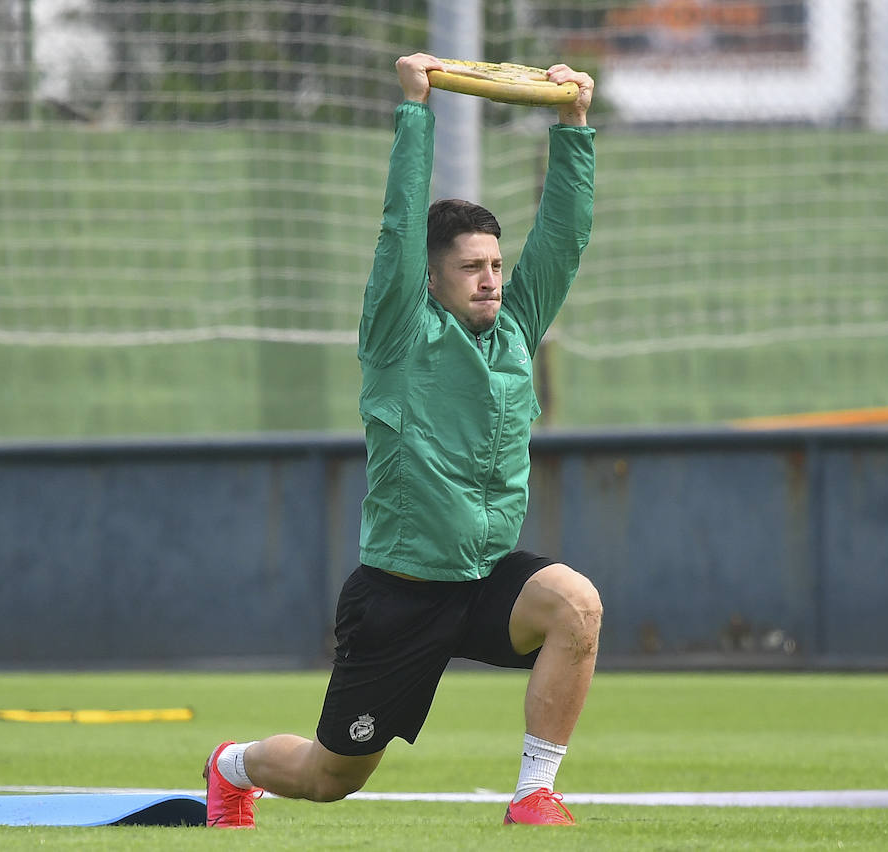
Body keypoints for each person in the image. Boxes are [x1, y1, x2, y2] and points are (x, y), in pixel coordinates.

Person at [203, 52, 601, 828]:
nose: (490, 279)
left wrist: (573, 123)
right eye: (470, 268)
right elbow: (398, 223)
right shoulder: (398, 333)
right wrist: (417, 108)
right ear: (430, 280)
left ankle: (535, 795)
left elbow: (565, 236)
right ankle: (231, 766)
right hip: (400, 595)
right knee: (330, 777)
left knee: (575, 606)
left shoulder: (515, 329)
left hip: (485, 579)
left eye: (495, 264)